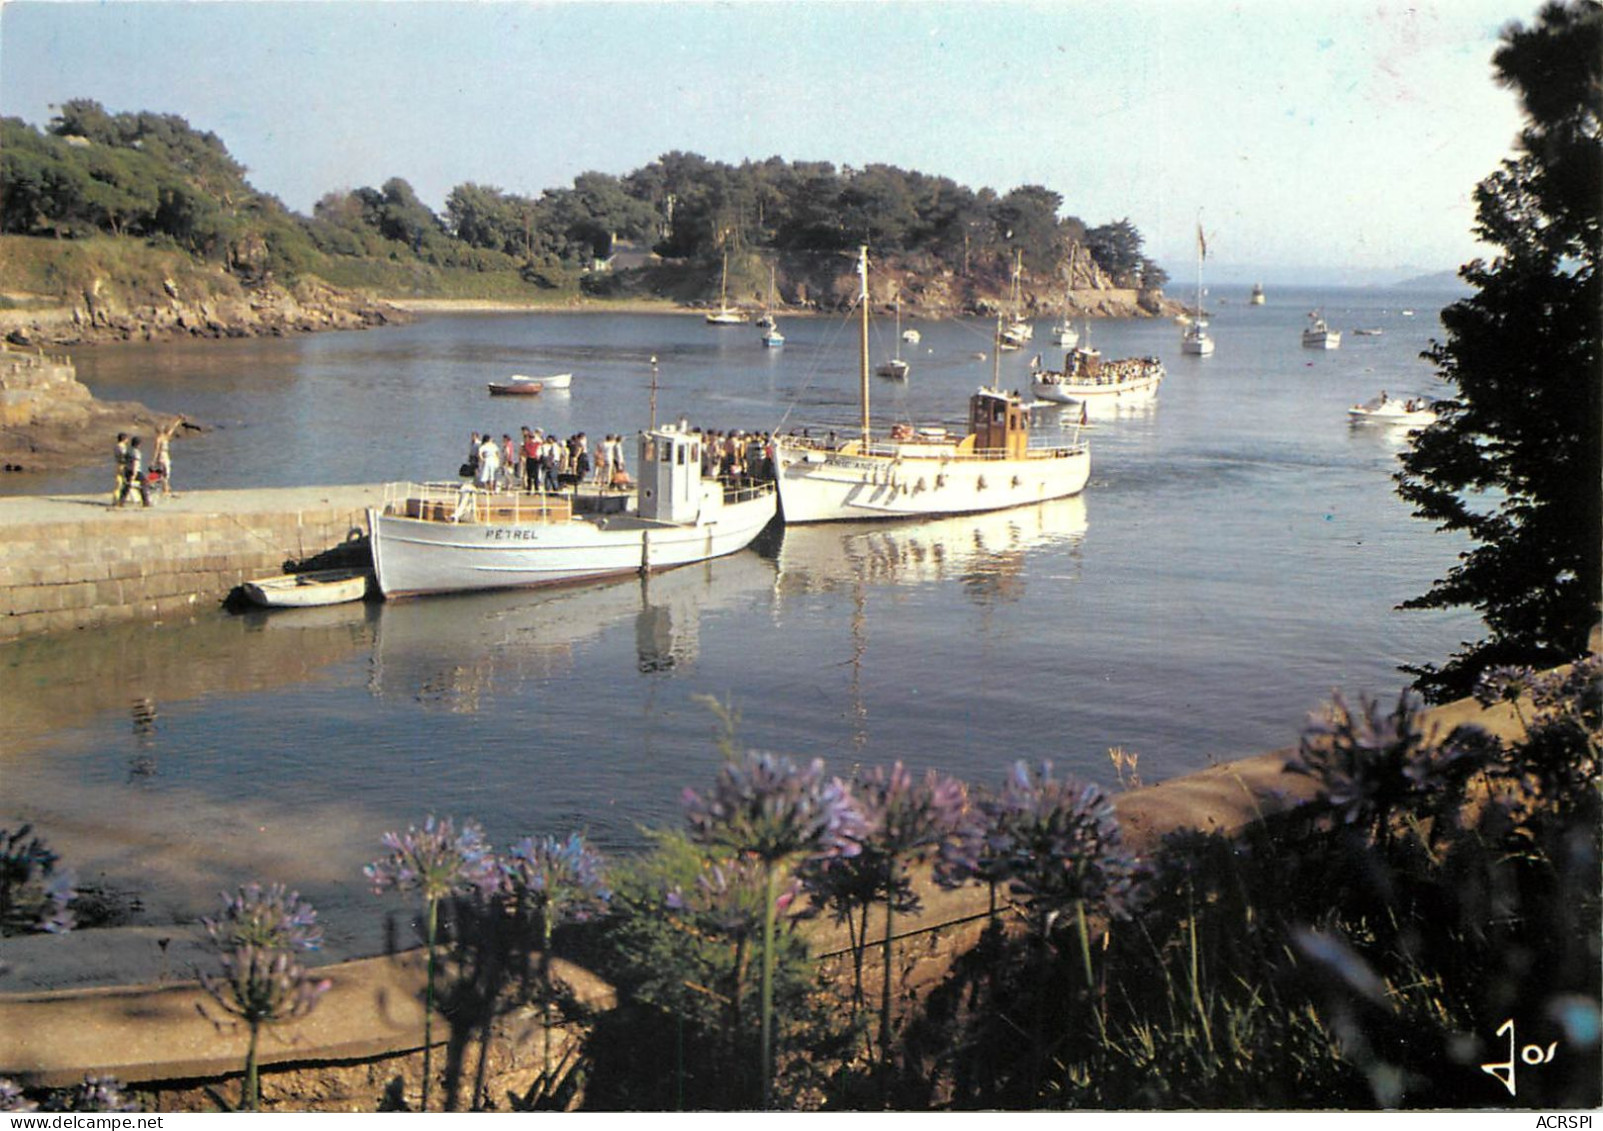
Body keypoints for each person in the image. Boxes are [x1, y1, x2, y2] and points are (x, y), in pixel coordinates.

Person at [151, 414, 184, 497]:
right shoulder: (160, 439)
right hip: (162, 455)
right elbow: (157, 450)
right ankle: (165, 488)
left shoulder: (164, 437)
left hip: (165, 454)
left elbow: (172, 429)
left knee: (166, 472)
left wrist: (178, 421)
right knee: (164, 472)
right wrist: (154, 460)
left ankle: (166, 487)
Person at [115, 436, 150, 507]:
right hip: (135, 471)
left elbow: (124, 460)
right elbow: (135, 463)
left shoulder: (128, 451)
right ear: (139, 444)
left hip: (127, 470)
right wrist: (134, 474)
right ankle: (146, 502)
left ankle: (121, 502)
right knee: (144, 483)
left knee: (126, 486)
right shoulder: (136, 452)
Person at [112, 432, 129, 505]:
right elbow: (124, 455)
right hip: (122, 465)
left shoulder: (116, 446)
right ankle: (120, 499)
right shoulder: (122, 446)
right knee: (123, 482)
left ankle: (115, 499)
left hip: (118, 464)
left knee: (118, 482)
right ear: (124, 439)